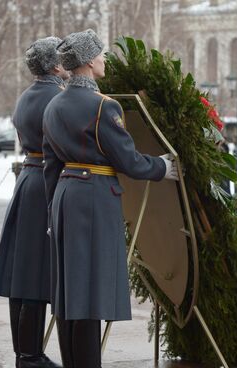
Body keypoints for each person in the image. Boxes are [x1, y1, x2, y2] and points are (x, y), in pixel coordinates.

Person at [42, 29, 178, 367]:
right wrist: (161, 167)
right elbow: (128, 160)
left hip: (65, 196)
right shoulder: (103, 106)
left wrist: (51, 211)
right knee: (88, 292)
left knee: (69, 291)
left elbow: (50, 165)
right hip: (94, 200)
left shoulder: (54, 103)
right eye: (100, 54)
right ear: (88, 62)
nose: (104, 59)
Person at [0, 37, 69, 368]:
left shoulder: (28, 95)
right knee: (36, 273)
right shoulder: (57, 97)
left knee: (22, 272)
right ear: (54, 66)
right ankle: (30, 355)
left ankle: (24, 353)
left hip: (29, 178)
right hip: (45, 181)